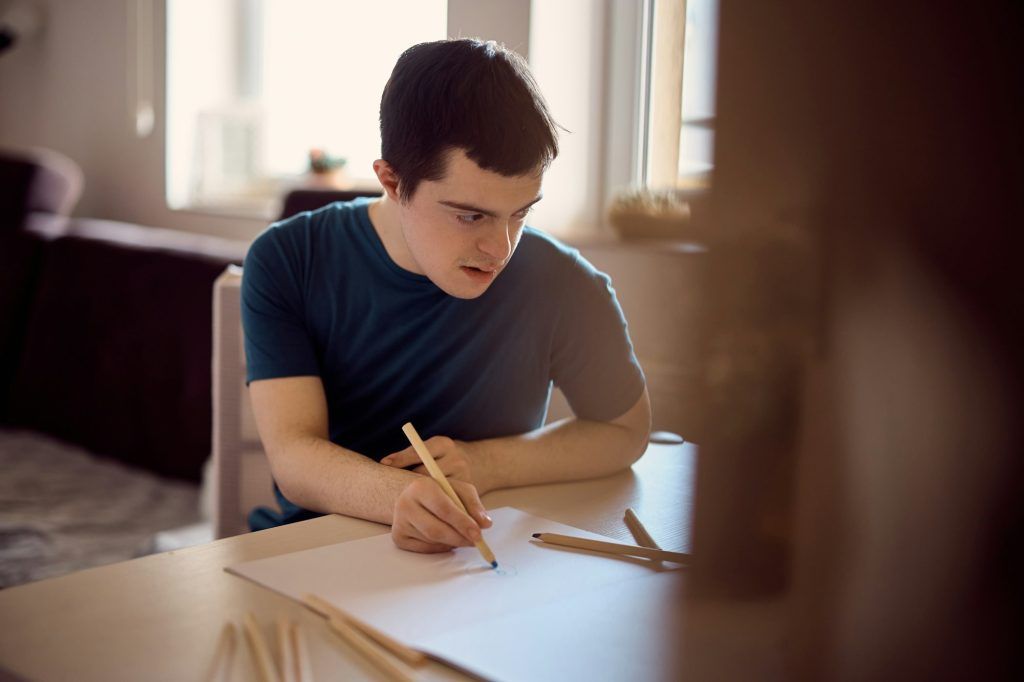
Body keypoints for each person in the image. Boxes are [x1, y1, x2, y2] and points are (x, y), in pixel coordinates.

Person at [241, 38, 651, 554]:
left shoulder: (566, 282)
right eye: (470, 215)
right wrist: (401, 496)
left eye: (521, 212)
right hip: (313, 551)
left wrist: (485, 463)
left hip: (483, 556)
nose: (500, 248)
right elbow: (294, 456)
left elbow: (626, 432)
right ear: (392, 180)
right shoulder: (288, 258)